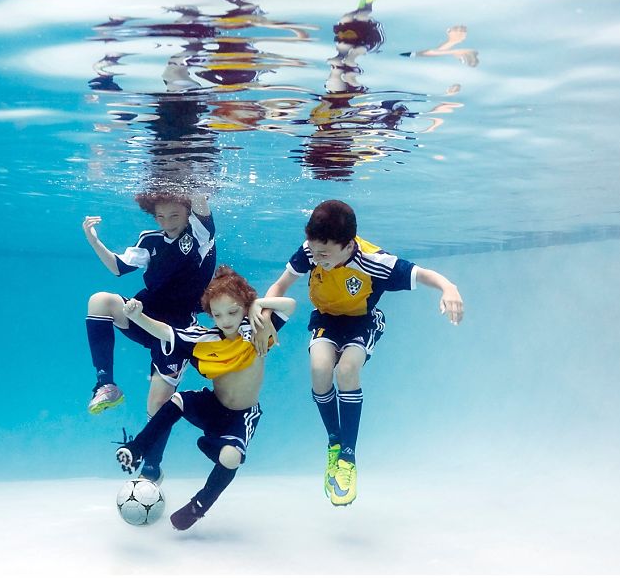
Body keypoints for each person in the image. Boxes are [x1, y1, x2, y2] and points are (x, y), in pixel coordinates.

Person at [255, 199, 463, 506]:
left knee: (347, 370)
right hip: (326, 318)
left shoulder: (374, 261)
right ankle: (335, 444)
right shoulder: (311, 250)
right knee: (319, 370)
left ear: (347, 244)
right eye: (314, 251)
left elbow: (424, 275)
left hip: (362, 322)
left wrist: (450, 289)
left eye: (324, 254)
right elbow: (280, 285)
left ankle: (348, 460)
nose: (317, 258)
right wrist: (266, 318)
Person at [114, 265, 296, 530]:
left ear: (244, 307)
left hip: (242, 415)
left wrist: (258, 304)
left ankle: (199, 504)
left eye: (233, 311)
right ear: (210, 314)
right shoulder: (205, 338)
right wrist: (139, 317)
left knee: (231, 458)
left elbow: (289, 304)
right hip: (213, 406)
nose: (226, 320)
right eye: (218, 314)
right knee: (176, 401)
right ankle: (137, 447)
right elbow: (166, 332)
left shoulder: (258, 329)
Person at [83, 190, 216, 483]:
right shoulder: (150, 240)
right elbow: (118, 268)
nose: (167, 222)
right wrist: (94, 240)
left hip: (176, 332)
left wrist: (192, 181)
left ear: (188, 212)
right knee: (99, 301)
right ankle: (106, 384)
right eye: (161, 216)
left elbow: (201, 203)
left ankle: (152, 469)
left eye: (175, 215)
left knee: (157, 405)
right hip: (142, 314)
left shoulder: (200, 237)